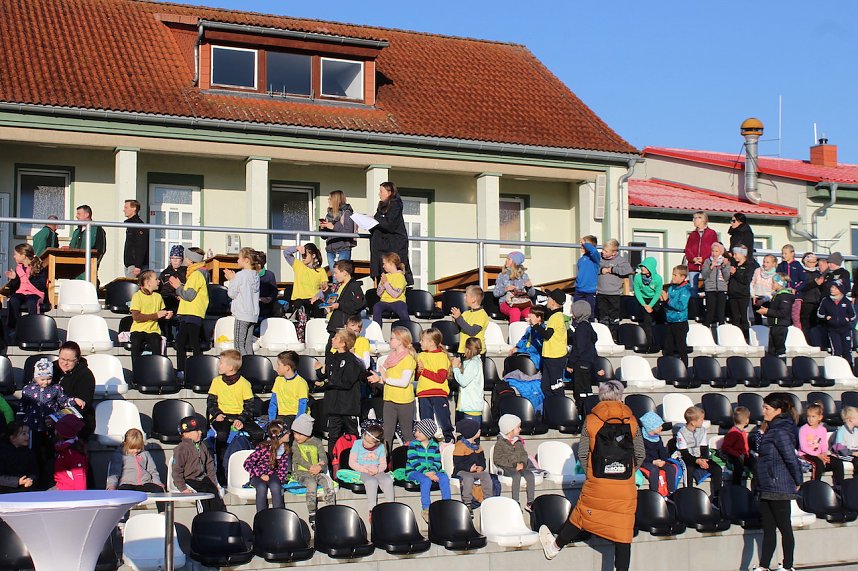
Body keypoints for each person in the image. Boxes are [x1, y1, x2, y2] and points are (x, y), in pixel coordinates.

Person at [539, 380, 643, 570]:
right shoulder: (632, 421)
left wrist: (593, 474)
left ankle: (554, 547)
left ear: (601, 396)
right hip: (625, 485)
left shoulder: (591, 420)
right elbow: (640, 455)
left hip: (598, 482)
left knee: (580, 516)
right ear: (620, 396)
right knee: (623, 531)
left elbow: (582, 453)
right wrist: (628, 473)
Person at [751, 393, 802, 571]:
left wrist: (798, 480)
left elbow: (791, 458)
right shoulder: (772, 429)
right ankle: (764, 565)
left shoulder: (780, 431)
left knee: (784, 527)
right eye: (763, 407)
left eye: (767, 408)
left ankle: (788, 566)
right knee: (768, 528)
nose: (763, 411)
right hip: (766, 485)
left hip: (778, 485)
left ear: (778, 411)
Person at [207, 350, 263, 480]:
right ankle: (221, 471)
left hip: (239, 416)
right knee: (221, 434)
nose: (218, 365)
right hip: (222, 416)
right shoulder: (216, 381)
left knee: (258, 433)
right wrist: (217, 414)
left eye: (221, 363)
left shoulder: (244, 384)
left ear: (230, 367)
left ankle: (254, 465)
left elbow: (249, 406)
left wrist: (241, 419)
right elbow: (211, 402)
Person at [22, 358, 73, 488]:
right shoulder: (28, 390)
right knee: (34, 454)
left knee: (51, 454)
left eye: (48, 378)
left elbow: (64, 402)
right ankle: (34, 480)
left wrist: (73, 401)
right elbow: (23, 407)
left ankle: (51, 480)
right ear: (36, 377)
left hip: (50, 428)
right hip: (33, 428)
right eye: (42, 379)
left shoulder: (56, 388)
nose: (45, 382)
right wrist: (21, 422)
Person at [315, 329, 363, 456]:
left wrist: (326, 384)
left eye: (335, 338)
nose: (332, 339)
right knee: (333, 436)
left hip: (348, 407)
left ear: (343, 343)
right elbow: (327, 376)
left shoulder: (353, 361)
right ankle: (333, 463)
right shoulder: (332, 358)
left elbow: (345, 382)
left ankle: (352, 461)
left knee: (352, 435)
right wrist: (320, 372)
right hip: (334, 407)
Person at [369, 326, 417, 448]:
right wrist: (379, 379)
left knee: (407, 434)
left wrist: (385, 379)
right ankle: (386, 458)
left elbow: (403, 382)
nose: (389, 341)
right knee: (387, 434)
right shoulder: (390, 357)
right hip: (389, 399)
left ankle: (411, 457)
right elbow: (388, 378)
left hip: (404, 402)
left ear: (400, 341)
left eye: (392, 338)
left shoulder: (408, 359)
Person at [290, 413, 336, 529]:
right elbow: (297, 458)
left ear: (307, 433)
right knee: (311, 484)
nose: (296, 436)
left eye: (299, 434)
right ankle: (312, 513)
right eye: (294, 433)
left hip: (317, 471)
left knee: (327, 482)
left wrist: (320, 467)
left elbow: (323, 458)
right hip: (302, 473)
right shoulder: (295, 444)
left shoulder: (317, 442)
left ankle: (331, 510)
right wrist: (311, 467)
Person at [171, 415, 225, 512]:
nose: (200, 432)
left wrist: (214, 482)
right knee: (201, 497)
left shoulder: (202, 446)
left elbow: (209, 465)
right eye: (196, 431)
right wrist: (183, 488)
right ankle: (203, 517)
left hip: (203, 479)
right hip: (190, 480)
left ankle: (218, 517)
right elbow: (176, 471)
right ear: (186, 433)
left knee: (215, 495)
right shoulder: (181, 449)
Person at [106, 428, 165, 511]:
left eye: (138, 448)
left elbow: (152, 471)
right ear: (125, 444)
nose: (136, 451)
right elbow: (114, 472)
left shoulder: (145, 454)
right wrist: (111, 486)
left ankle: (162, 512)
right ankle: (122, 515)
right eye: (132, 448)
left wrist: (157, 482)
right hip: (127, 483)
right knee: (122, 492)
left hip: (144, 483)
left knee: (159, 490)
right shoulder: (119, 455)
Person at [170, 247, 208, 374]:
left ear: (191, 260)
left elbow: (189, 295)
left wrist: (178, 287)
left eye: (186, 257)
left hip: (193, 313)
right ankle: (184, 370)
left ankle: (196, 370)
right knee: (182, 342)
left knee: (192, 342)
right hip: (189, 313)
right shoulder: (194, 273)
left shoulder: (196, 274)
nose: (184, 259)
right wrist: (181, 290)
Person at [407, 418, 451, 522]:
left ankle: (447, 504)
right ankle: (426, 509)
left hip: (431, 471)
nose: (416, 433)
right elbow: (414, 461)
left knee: (444, 477)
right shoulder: (413, 444)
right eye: (416, 431)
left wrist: (432, 471)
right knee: (426, 480)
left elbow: (437, 461)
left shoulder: (434, 445)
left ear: (428, 434)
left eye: (419, 432)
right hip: (414, 471)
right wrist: (426, 473)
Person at [370, 181, 412, 286]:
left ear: (389, 192)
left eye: (381, 191)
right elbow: (378, 222)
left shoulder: (395, 205)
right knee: (381, 271)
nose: (379, 194)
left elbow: (389, 224)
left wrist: (376, 221)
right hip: (381, 246)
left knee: (396, 271)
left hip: (394, 245)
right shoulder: (381, 207)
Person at [243, 419, 291, 512]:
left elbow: (283, 468)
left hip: (272, 475)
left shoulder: (284, 449)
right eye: (287, 432)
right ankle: (261, 515)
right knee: (261, 487)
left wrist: (281, 479)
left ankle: (279, 514)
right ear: (279, 435)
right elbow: (247, 463)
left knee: (276, 486)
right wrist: (261, 474)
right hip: (257, 476)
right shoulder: (264, 447)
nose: (289, 434)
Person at [415, 328, 453, 443]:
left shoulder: (441, 356)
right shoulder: (420, 355)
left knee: (444, 420)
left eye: (422, 340)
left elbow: (440, 378)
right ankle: (429, 445)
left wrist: (424, 370)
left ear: (431, 342)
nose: (420, 342)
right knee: (426, 423)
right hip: (423, 394)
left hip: (438, 394)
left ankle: (449, 441)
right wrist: (418, 371)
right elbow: (418, 377)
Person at [494, 414, 538, 511]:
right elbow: (498, 459)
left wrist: (522, 463)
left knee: (530, 475)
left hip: (520, 466)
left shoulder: (518, 442)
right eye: (518, 427)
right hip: (507, 467)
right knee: (516, 476)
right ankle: (516, 501)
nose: (520, 429)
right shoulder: (500, 443)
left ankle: (530, 502)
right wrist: (514, 465)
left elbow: (524, 454)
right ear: (510, 429)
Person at [284, 243, 328, 339]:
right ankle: (301, 335)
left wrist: (317, 296)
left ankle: (317, 334)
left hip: (313, 299)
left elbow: (324, 289)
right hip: (299, 299)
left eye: (305, 255)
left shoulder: (321, 271)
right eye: (302, 255)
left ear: (313, 255)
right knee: (301, 308)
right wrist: (297, 248)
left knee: (319, 306)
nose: (303, 257)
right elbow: (286, 253)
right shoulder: (298, 265)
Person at [348, 424, 394, 514]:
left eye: (369, 443)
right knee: (371, 482)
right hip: (362, 470)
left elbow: (383, 464)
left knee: (388, 480)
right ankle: (372, 510)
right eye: (365, 439)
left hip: (376, 470)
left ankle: (392, 506)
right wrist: (366, 470)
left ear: (376, 443)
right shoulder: (357, 444)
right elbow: (352, 462)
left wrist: (377, 470)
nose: (365, 443)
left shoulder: (381, 447)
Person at [54, 342, 95, 439]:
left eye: (69, 360)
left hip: (75, 421)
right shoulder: (51, 369)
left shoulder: (85, 375)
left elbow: (82, 407)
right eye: (62, 359)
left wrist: (56, 417)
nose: (65, 363)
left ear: (77, 360)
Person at [224, 247, 261, 356]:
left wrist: (231, 279)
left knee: (239, 345)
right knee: (248, 344)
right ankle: (251, 364)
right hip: (253, 315)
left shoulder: (241, 275)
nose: (237, 260)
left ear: (246, 260)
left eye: (239, 258)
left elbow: (231, 294)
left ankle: (244, 365)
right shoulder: (256, 275)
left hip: (242, 314)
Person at [677, 406, 722, 494]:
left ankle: (717, 495)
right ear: (693, 422)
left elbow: (704, 447)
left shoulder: (702, 430)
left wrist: (703, 459)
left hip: (700, 457)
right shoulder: (681, 433)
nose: (703, 421)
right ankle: (688, 492)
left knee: (717, 469)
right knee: (689, 469)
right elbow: (684, 453)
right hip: (687, 457)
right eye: (701, 419)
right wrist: (696, 461)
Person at [5, 243, 48, 333]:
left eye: (16, 254)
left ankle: (33, 328)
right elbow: (15, 287)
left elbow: (41, 285)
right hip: (21, 293)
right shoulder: (18, 268)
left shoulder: (38, 267)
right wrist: (14, 279)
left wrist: (30, 276)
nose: (14, 256)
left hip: (35, 293)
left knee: (32, 302)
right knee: (13, 300)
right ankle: (12, 328)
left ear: (23, 255)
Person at [129, 270, 171, 361]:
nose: (159, 281)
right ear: (148, 282)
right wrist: (156, 315)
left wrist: (166, 316)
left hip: (153, 331)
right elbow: (136, 317)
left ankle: (156, 367)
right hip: (138, 329)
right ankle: (136, 367)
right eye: (156, 279)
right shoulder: (137, 296)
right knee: (136, 342)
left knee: (156, 341)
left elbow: (160, 315)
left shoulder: (158, 297)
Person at [683, 211, 718, 321]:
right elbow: (688, 249)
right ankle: (695, 313)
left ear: (703, 219)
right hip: (693, 266)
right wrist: (693, 258)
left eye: (696, 218)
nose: (694, 220)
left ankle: (709, 314)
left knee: (708, 289)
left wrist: (704, 258)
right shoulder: (692, 235)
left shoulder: (711, 233)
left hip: (706, 265)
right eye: (694, 218)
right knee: (693, 289)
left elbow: (714, 248)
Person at [325, 260, 366, 351]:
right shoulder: (340, 286)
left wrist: (339, 305)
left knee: (336, 352)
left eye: (336, 273)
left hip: (343, 327)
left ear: (344, 273)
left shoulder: (354, 286)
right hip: (335, 325)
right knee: (330, 352)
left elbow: (359, 304)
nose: (334, 275)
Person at [452, 417, 493, 510]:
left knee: (485, 475)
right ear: (471, 432)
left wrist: (481, 467)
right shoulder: (460, 446)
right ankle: (467, 502)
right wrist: (469, 468)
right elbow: (458, 463)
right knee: (468, 478)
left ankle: (488, 499)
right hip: (462, 471)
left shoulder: (478, 447)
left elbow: (482, 460)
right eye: (478, 429)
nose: (480, 431)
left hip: (475, 471)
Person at [799, 403, 844, 486]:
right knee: (818, 464)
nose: (810, 419)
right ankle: (815, 485)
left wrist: (824, 454)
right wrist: (818, 455)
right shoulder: (803, 429)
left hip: (820, 454)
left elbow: (824, 444)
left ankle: (839, 486)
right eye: (808, 416)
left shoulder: (822, 429)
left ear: (820, 417)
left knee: (837, 462)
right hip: (806, 454)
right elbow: (803, 447)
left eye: (813, 416)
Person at [597, 238, 633, 340]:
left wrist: (612, 269)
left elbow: (628, 270)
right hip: (601, 292)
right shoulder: (599, 258)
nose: (603, 252)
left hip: (614, 294)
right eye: (603, 250)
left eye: (606, 251)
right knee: (602, 317)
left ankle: (614, 338)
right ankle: (603, 338)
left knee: (614, 318)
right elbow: (593, 268)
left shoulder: (620, 260)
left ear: (614, 252)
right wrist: (601, 270)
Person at [320, 190, 356, 286]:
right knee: (335, 277)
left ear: (336, 200)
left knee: (341, 276)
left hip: (343, 249)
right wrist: (323, 228)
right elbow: (324, 237)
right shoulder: (329, 215)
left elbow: (348, 231)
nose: (328, 201)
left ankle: (341, 294)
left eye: (330, 199)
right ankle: (336, 293)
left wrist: (333, 227)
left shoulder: (347, 213)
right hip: (330, 250)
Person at [639, 411, 677, 494]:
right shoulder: (641, 439)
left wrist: (664, 460)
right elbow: (640, 454)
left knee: (671, 468)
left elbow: (661, 450)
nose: (661, 428)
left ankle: (671, 491)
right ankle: (654, 492)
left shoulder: (657, 437)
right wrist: (653, 462)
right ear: (651, 427)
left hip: (657, 460)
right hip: (645, 461)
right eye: (659, 426)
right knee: (654, 470)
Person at [817, 283, 855, 366]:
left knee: (847, 350)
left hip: (846, 329)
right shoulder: (826, 300)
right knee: (837, 350)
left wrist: (847, 319)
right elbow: (820, 314)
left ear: (840, 290)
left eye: (835, 288)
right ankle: (837, 368)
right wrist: (827, 317)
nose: (832, 289)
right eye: (832, 287)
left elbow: (853, 315)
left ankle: (850, 368)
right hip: (833, 330)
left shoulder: (846, 301)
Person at [568, 300, 597, 408]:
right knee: (587, 390)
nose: (572, 314)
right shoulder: (589, 326)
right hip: (588, 363)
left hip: (580, 364)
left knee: (580, 391)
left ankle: (581, 410)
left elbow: (578, 348)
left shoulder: (581, 328)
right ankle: (588, 409)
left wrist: (570, 363)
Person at [661, 264, 691, 366]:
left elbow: (681, 306)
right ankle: (668, 367)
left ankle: (684, 368)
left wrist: (668, 300)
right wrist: (663, 301)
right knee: (668, 348)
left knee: (681, 348)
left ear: (683, 277)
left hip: (680, 322)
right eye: (673, 275)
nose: (673, 277)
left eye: (675, 275)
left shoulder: (685, 290)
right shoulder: (671, 288)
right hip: (670, 321)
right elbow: (667, 304)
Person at [540, 289, 569, 397]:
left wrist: (536, 325)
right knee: (546, 387)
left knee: (556, 386)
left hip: (555, 357)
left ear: (554, 302)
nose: (547, 300)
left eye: (549, 298)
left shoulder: (555, 317)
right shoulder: (558, 316)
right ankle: (551, 405)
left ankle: (561, 405)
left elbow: (547, 335)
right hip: (551, 356)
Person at [493, 251, 535, 323]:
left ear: (515, 262)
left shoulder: (524, 276)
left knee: (530, 313)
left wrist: (530, 287)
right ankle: (514, 330)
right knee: (515, 311)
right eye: (507, 258)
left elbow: (532, 294)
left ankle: (530, 330)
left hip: (522, 303)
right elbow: (495, 293)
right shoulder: (502, 275)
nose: (506, 260)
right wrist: (506, 289)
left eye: (509, 259)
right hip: (506, 303)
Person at [758, 274, 794, 357]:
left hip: (780, 326)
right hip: (774, 325)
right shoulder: (776, 295)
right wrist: (765, 311)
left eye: (773, 282)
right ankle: (772, 364)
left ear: (780, 283)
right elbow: (775, 311)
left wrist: (767, 311)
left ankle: (781, 363)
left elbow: (783, 313)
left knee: (780, 350)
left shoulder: (785, 296)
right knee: (772, 351)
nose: (771, 284)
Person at [632, 257, 663, 352]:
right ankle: (649, 344)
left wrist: (651, 305)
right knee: (647, 322)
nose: (642, 268)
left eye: (645, 267)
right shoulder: (638, 277)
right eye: (642, 266)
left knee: (660, 319)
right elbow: (637, 291)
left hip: (654, 300)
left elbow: (658, 293)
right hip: (644, 300)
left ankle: (660, 341)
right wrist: (645, 305)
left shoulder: (658, 278)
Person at [269, 350, 309, 421]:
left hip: (296, 416)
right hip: (282, 416)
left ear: (287, 368)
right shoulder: (278, 380)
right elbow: (273, 402)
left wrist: (297, 423)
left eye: (279, 365)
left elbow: (302, 406)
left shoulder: (301, 383)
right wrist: (271, 421)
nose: (276, 367)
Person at [452, 337, 484, 424]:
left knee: (471, 432)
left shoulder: (473, 363)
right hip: (470, 406)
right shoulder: (475, 362)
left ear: (468, 349)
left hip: (471, 407)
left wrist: (455, 368)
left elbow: (463, 382)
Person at [373, 252, 410, 326]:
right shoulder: (385, 276)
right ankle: (377, 329)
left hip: (397, 301)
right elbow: (378, 293)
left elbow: (395, 295)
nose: (383, 266)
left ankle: (408, 327)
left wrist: (386, 283)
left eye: (384, 264)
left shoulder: (400, 277)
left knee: (402, 309)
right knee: (377, 307)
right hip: (384, 301)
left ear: (391, 263)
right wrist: (383, 285)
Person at [52, 414, 88, 491]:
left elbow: (80, 478)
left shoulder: (72, 453)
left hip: (68, 491)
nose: (54, 432)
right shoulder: (63, 450)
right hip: (61, 486)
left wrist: (80, 496)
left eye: (56, 430)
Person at [69, 204, 107, 276]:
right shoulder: (76, 232)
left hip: (89, 269)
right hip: (74, 270)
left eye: (79, 214)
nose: (76, 216)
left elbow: (101, 250)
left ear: (87, 215)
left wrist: (94, 265)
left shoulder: (97, 230)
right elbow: (71, 247)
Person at [451, 285, 488, 355]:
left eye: (466, 295)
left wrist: (459, 318)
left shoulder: (482, 314)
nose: (464, 298)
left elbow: (472, 332)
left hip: (476, 352)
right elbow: (455, 331)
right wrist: (455, 321)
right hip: (464, 350)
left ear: (473, 299)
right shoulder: (465, 313)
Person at [0, 422, 36, 492]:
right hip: (5, 490)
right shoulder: (2, 452)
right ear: (12, 438)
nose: (28, 436)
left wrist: (30, 479)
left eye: (28, 433)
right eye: (24, 434)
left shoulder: (29, 452)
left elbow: (34, 472)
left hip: (25, 488)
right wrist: (17, 481)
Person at [721, 407, 754, 485]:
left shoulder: (743, 431)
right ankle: (736, 486)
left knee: (754, 463)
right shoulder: (733, 432)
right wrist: (737, 454)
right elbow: (725, 447)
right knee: (739, 467)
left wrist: (747, 454)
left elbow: (745, 446)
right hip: (734, 455)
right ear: (746, 421)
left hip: (743, 454)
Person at [701, 242, 730, 327]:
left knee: (721, 312)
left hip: (721, 289)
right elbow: (704, 275)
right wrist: (711, 267)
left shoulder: (725, 262)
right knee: (710, 311)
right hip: (710, 289)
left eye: (716, 251)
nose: (714, 253)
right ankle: (706, 326)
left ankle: (722, 327)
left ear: (720, 252)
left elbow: (727, 277)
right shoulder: (707, 261)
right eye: (712, 251)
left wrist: (724, 266)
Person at [728, 246, 753, 340]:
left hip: (743, 295)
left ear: (743, 254)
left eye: (736, 254)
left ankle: (746, 337)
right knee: (735, 318)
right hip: (733, 295)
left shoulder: (749, 265)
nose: (734, 256)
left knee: (744, 318)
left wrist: (735, 273)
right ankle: (735, 337)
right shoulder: (734, 264)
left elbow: (746, 280)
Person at [509, 305, 545, 369]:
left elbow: (534, 349)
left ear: (538, 318)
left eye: (531, 314)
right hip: (525, 354)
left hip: (535, 358)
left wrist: (520, 351)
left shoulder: (542, 331)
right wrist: (516, 347)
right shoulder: (529, 329)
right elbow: (524, 339)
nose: (528, 315)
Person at [797, 252, 822, 341]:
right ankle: (806, 341)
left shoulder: (818, 273)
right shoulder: (801, 272)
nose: (813, 264)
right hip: (806, 301)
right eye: (810, 262)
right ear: (805, 262)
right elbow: (800, 287)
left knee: (815, 324)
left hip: (817, 301)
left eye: (815, 262)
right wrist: (815, 283)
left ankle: (815, 341)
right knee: (806, 323)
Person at [575, 235, 600, 317]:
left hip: (590, 291)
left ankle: (590, 324)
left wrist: (585, 243)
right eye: (582, 244)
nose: (582, 246)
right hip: (579, 290)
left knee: (589, 312)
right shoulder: (581, 259)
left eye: (584, 245)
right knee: (577, 311)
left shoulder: (595, 258)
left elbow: (594, 251)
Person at [122, 199, 148, 277]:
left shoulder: (138, 225)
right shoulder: (131, 225)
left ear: (134, 209)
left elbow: (141, 246)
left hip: (134, 266)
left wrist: (138, 266)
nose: (124, 210)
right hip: (129, 265)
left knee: (133, 284)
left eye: (126, 207)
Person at [834, 406, 858, 472]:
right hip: (844, 454)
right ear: (851, 419)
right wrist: (853, 453)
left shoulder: (856, 430)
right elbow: (839, 447)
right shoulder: (841, 431)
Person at [256, 251, 278, 321]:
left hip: (265, 306)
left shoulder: (269, 275)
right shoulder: (250, 274)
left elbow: (274, 291)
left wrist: (266, 300)